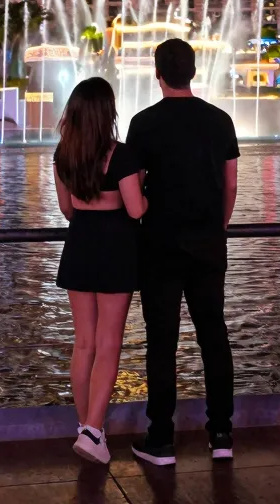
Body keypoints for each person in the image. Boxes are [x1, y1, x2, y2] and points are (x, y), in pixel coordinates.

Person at [126, 38, 239, 465]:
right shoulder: (220, 120)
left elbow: (134, 185)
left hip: (158, 243)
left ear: (158, 73)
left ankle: (161, 438)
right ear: (194, 72)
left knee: (162, 341)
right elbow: (230, 184)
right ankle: (222, 433)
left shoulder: (144, 123)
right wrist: (219, 225)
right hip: (208, 242)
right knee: (214, 334)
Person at [54, 76, 148, 464]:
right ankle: (94, 430)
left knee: (84, 343)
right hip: (115, 249)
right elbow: (136, 210)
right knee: (109, 343)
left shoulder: (64, 153)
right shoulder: (121, 155)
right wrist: (145, 187)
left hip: (80, 246)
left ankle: (87, 428)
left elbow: (68, 209)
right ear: (106, 112)